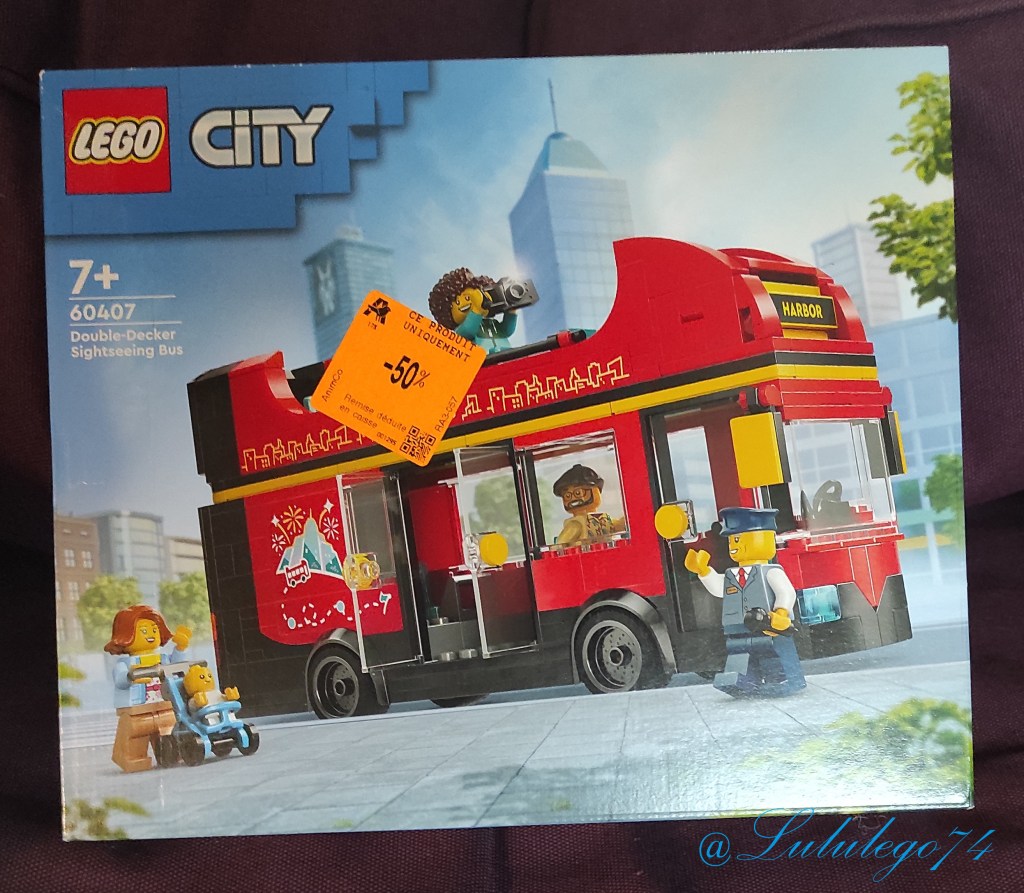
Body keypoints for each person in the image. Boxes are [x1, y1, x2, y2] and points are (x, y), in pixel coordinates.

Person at [684, 507, 806, 698]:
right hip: (737, 630)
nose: (734, 545)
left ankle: (780, 680)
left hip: (768, 628)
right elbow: (719, 589)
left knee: (771, 654)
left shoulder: (771, 571)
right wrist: (704, 572)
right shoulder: (732, 574)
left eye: (739, 539)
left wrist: (781, 613)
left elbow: (786, 592)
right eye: (732, 540)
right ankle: (743, 682)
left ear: (764, 539)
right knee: (740, 657)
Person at [105, 605, 191, 772]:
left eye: (154, 630)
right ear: (126, 636)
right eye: (143, 631)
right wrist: (132, 676)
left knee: (169, 731)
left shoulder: (163, 658)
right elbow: (121, 679)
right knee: (136, 734)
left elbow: (177, 665)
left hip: (165, 705)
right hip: (138, 709)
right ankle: (133, 758)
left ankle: (172, 753)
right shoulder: (125, 663)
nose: (151, 635)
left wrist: (180, 648)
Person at [428, 267, 518, 353]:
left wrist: (511, 311)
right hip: (484, 358)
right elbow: (469, 329)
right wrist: (477, 310)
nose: (467, 302)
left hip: (507, 353)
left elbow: (507, 330)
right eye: (458, 302)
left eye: (468, 297)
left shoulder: (492, 323)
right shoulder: (460, 331)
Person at [552, 464, 626, 546]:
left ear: (596, 491)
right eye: (567, 496)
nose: (573, 498)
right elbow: (561, 543)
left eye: (578, 493)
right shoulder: (575, 524)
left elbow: (619, 525)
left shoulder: (604, 519)